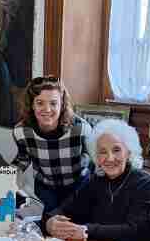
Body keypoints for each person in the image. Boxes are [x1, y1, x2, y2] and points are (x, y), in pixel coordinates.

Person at [43, 119, 150, 241]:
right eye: (102, 152)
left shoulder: (146, 183)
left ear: (129, 152)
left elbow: (135, 232)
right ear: (96, 157)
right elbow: (65, 209)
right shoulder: (95, 181)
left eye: (116, 150)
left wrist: (86, 231)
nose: (110, 158)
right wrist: (50, 222)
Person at [12, 76, 92, 213]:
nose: (47, 109)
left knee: (73, 221)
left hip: (77, 185)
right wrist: (4, 176)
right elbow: (23, 159)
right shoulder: (21, 131)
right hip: (45, 187)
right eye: (40, 103)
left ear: (62, 105)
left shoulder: (81, 129)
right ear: (32, 105)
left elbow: (93, 159)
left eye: (53, 103)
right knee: (50, 220)